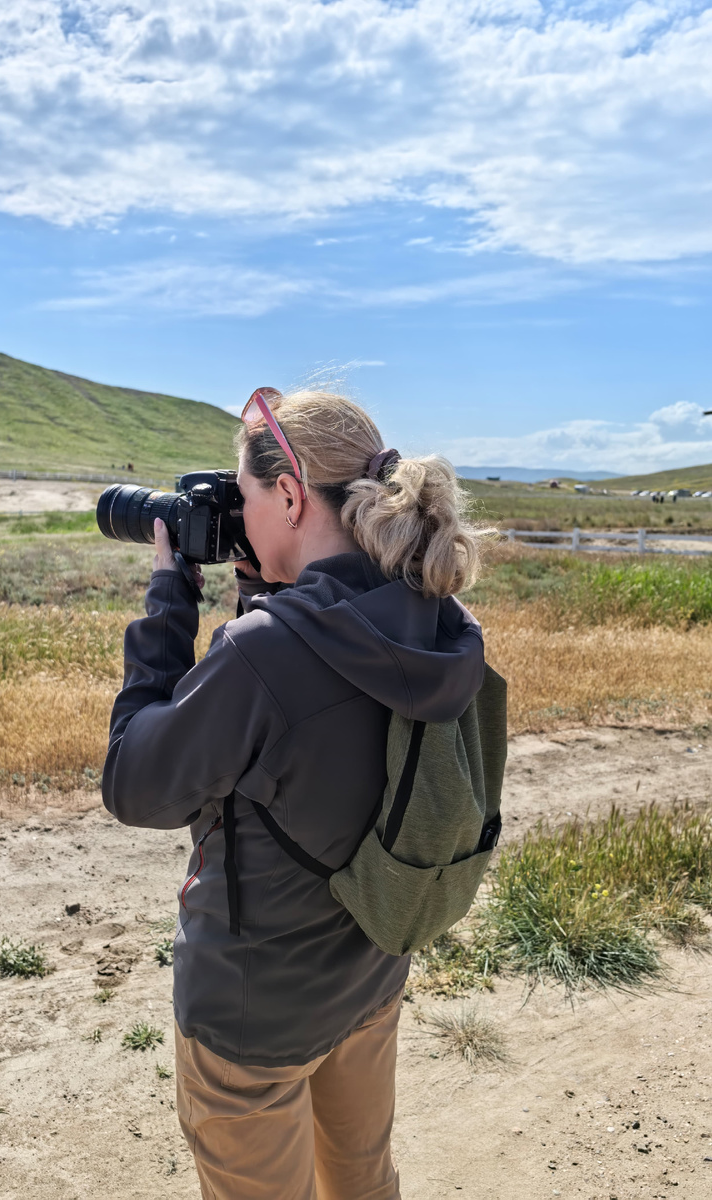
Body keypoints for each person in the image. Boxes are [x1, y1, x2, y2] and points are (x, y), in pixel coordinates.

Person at [102, 387, 487, 1200]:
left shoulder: (265, 653)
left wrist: (168, 602)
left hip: (254, 1012)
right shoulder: (433, 617)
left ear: (289, 495)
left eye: (245, 496)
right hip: (370, 975)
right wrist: (266, 596)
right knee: (362, 1180)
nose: (239, 518)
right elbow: (315, 719)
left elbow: (136, 784)